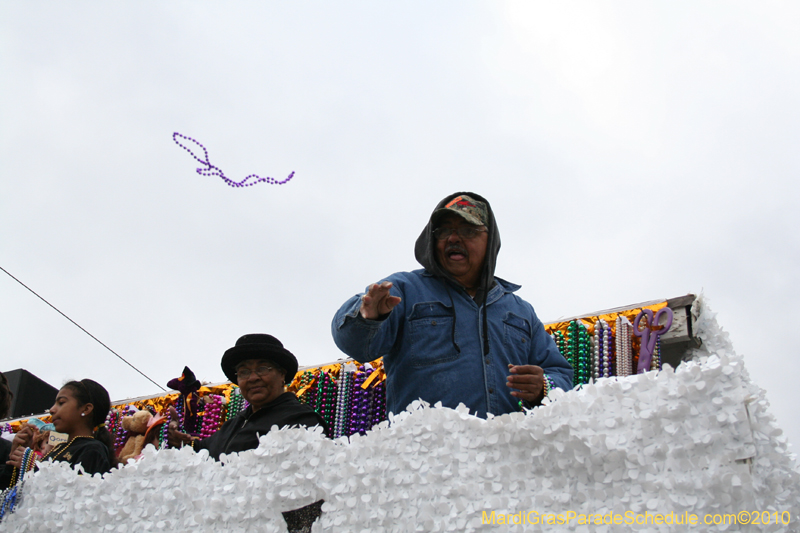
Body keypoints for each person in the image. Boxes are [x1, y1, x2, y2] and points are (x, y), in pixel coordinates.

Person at [332, 192, 574, 418]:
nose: (454, 238)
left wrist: (543, 387)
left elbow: (561, 375)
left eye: (469, 231)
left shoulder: (520, 311)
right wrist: (367, 319)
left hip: (505, 457)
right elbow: (355, 346)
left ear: (490, 243)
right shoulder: (403, 290)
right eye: (444, 230)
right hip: (422, 459)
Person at [168, 333, 325, 459]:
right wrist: (180, 443)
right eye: (244, 372)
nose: (253, 377)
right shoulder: (231, 427)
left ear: (282, 374)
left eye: (262, 368)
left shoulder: (301, 420)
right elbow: (201, 457)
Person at [2, 379, 115, 487]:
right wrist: (17, 458)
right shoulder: (59, 448)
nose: (52, 410)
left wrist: (34, 468)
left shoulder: (93, 450)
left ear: (86, 409)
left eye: (61, 403)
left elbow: (77, 496)